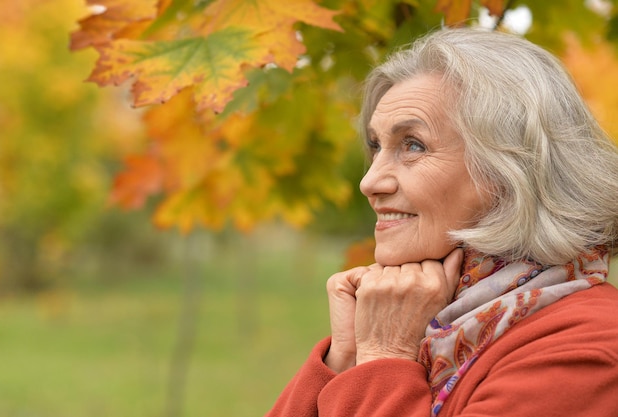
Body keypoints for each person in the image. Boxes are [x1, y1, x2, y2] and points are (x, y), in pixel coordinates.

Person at [265, 27, 618, 417]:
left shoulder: (587, 348)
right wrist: (344, 357)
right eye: (376, 146)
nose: (369, 182)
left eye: (412, 145)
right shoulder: (418, 317)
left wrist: (383, 359)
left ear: (511, 170)